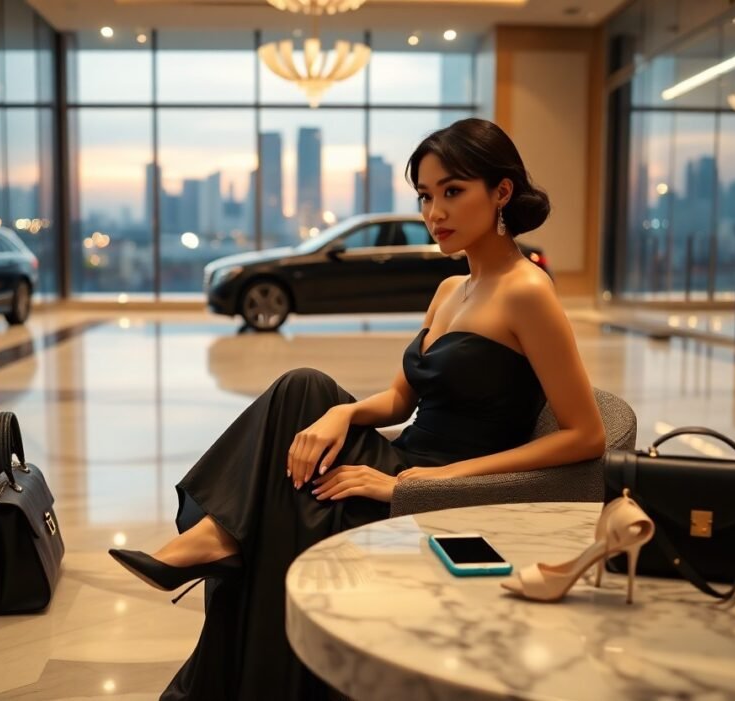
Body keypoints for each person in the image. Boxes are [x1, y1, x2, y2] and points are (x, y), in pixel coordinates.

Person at [109, 118, 606, 700]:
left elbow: (585, 435)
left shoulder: (527, 292)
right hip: (401, 458)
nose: (434, 212)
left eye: (452, 192)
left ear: (501, 192)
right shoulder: (451, 289)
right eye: (425, 195)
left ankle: (221, 542)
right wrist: (341, 415)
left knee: (271, 510)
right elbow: (401, 398)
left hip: (436, 491)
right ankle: (221, 535)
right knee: (305, 389)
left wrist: (422, 483)